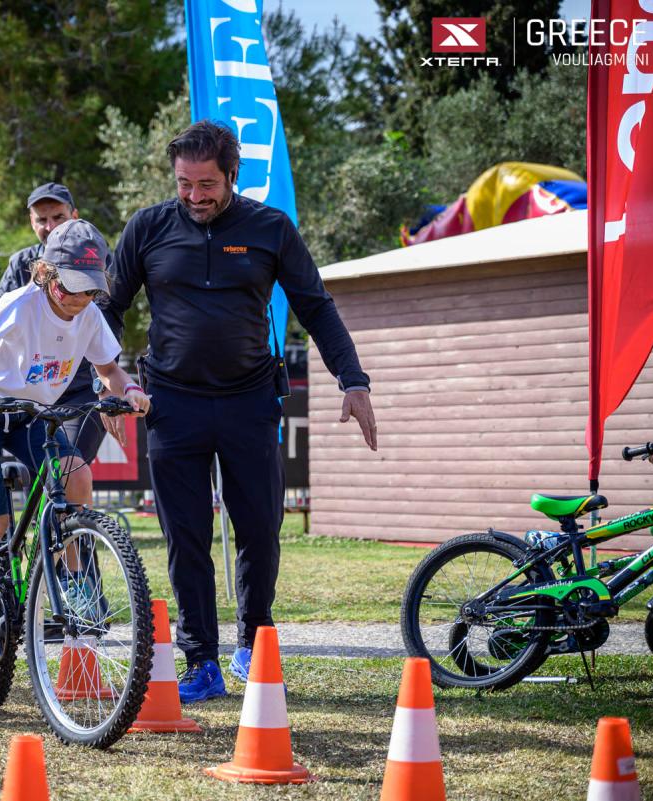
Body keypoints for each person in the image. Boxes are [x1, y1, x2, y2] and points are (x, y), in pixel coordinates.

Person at [103, 121, 377, 702]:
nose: (195, 195)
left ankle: (254, 644)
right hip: (171, 403)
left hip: (249, 400)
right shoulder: (147, 228)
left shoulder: (270, 228)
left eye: (207, 184)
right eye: (184, 183)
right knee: (186, 537)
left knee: (259, 530)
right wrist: (103, 378)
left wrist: (352, 380)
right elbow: (108, 308)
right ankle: (200, 661)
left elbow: (316, 307)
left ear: (232, 175)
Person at [0, 219, 150, 641]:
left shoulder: (89, 316)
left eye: (89, 290)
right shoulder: (20, 305)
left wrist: (130, 390)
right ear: (45, 274)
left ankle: (72, 579)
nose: (79, 299)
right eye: (71, 287)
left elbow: (108, 369)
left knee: (76, 476)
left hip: (31, 412)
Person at [0, 183, 113, 463]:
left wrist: (107, 386)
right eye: (42, 220)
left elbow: (106, 327)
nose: (50, 227)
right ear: (31, 222)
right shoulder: (19, 264)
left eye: (58, 217)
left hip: (80, 390)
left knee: (68, 467)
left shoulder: (95, 260)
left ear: (74, 216)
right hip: (28, 391)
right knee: (37, 473)